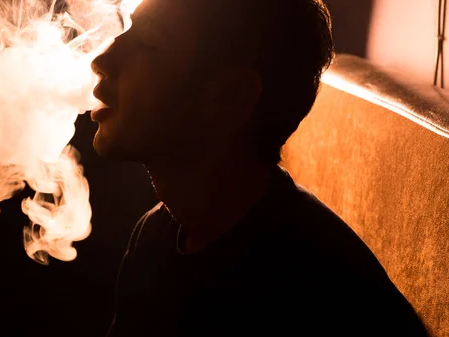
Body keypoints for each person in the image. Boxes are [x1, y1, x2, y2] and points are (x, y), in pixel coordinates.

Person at [90, 0, 429, 336]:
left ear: (228, 96)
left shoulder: (316, 289)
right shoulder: (155, 237)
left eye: (148, 42)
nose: (101, 60)